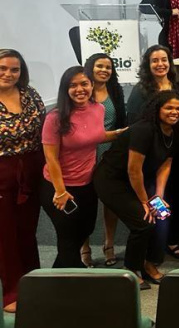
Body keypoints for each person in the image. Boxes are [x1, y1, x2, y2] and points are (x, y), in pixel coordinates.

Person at [94, 91, 179, 288]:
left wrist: (158, 197)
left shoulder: (175, 131)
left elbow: (165, 164)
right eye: (169, 108)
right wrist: (145, 202)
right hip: (112, 180)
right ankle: (131, 268)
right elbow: (133, 170)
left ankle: (150, 263)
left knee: (161, 215)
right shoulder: (143, 130)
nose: (174, 112)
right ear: (157, 109)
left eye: (178, 108)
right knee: (144, 221)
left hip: (136, 181)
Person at [41, 66, 125, 269]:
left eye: (84, 84)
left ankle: (57, 275)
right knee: (68, 238)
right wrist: (61, 192)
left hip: (87, 184)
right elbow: (51, 158)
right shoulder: (55, 117)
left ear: (91, 85)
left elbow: (95, 135)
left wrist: (121, 133)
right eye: (73, 85)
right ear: (65, 89)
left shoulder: (98, 109)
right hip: (59, 187)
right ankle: (72, 287)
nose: (80, 89)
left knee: (85, 228)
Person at [124, 45, 179, 259]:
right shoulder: (142, 89)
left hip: (173, 150)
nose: (160, 64)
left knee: (175, 196)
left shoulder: (178, 85)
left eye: (164, 60)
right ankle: (152, 250)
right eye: (155, 61)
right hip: (149, 156)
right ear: (148, 65)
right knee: (154, 198)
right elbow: (134, 122)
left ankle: (171, 241)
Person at [0, 50, 45, 313]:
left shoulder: (30, 95)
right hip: (2, 170)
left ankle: (33, 280)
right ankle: (12, 291)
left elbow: (43, 129)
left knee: (28, 229)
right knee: (5, 233)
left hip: (32, 167)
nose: (8, 74)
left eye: (14, 69)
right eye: (3, 68)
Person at [80, 53, 127, 268]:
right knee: (85, 202)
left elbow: (120, 121)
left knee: (110, 200)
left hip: (110, 151)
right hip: (84, 152)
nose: (104, 70)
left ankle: (109, 244)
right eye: (100, 66)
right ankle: (84, 247)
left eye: (109, 67)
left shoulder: (115, 90)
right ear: (90, 67)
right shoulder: (81, 89)